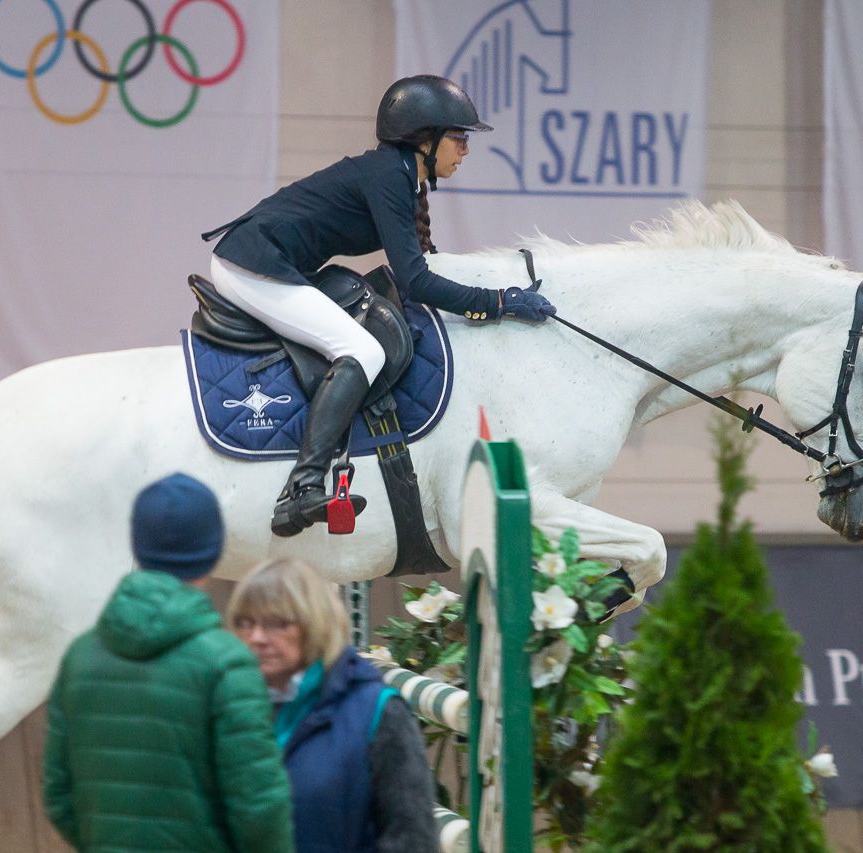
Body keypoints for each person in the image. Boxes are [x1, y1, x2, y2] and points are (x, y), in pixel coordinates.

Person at [202, 74, 556, 537]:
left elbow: (425, 265)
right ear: (425, 140)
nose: (466, 150)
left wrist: (493, 293)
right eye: (459, 138)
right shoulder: (390, 176)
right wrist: (497, 302)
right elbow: (417, 281)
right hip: (251, 266)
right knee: (364, 351)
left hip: (272, 263)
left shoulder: (402, 177)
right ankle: (302, 488)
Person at [42, 473, 294, 853]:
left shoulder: (79, 657)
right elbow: (258, 807)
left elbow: (59, 795)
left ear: (137, 546)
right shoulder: (227, 664)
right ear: (214, 551)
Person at [226, 557, 440, 853]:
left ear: (316, 625)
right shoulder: (230, 707)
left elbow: (412, 839)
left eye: (278, 623)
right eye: (245, 623)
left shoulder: (378, 712)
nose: (257, 637)